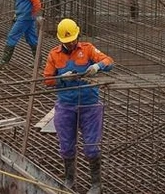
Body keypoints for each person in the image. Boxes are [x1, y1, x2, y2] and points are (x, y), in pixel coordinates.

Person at [43, 18, 114, 194]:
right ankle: (69, 178)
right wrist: (61, 78)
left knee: (92, 146)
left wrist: (97, 66)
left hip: (89, 105)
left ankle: (96, 184)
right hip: (66, 105)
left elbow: (109, 61)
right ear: (60, 40)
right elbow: (47, 79)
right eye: (67, 41)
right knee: (66, 145)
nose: (71, 43)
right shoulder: (54, 55)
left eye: (73, 39)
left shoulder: (88, 49)